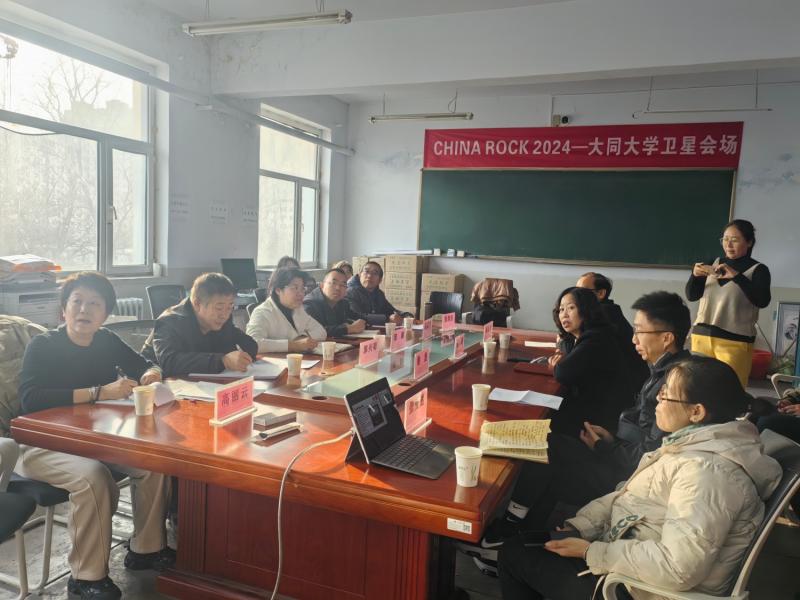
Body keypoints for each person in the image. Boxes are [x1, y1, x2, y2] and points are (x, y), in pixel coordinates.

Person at [498, 355, 782, 600]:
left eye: (666, 395)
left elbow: (678, 568)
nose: (658, 399)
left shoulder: (708, 473)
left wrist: (591, 552)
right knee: (531, 543)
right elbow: (629, 495)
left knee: (513, 555)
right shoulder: (692, 446)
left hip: (640, 589)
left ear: (696, 412)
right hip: (630, 562)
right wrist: (581, 527)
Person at [482, 291, 692, 548]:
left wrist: (605, 446)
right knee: (549, 454)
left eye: (639, 331)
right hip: (618, 448)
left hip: (628, 477)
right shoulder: (664, 371)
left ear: (667, 338)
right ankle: (521, 534)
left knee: (546, 447)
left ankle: (510, 526)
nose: (632, 339)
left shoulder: (674, 386)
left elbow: (652, 456)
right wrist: (611, 439)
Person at [16, 272, 173, 600]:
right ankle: (86, 577)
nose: (84, 309)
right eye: (77, 301)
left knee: (152, 464)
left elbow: (144, 363)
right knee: (92, 477)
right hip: (42, 444)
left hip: (95, 440)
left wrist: (151, 374)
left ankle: (146, 549)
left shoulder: (105, 340)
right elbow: (31, 399)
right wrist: (98, 392)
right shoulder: (43, 346)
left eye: (94, 304)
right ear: (64, 309)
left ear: (105, 314)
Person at [686, 219, 771, 387]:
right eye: (725, 239)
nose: (728, 244)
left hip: (734, 341)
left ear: (749, 242)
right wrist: (695, 276)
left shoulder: (758, 270)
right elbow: (692, 295)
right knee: (698, 390)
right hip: (701, 336)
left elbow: (762, 301)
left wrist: (737, 277)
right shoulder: (712, 262)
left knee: (730, 391)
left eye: (735, 240)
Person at [548, 287, 629, 436]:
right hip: (594, 409)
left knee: (543, 419)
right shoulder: (591, 334)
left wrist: (556, 365)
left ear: (586, 310)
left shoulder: (595, 338)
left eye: (571, 308)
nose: (564, 314)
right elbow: (568, 354)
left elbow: (563, 373)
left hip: (596, 420)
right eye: (561, 309)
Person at [142, 273, 257, 377]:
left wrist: (244, 354)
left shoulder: (222, 317)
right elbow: (170, 362)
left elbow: (247, 345)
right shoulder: (170, 322)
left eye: (230, 307)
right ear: (197, 304)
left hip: (203, 383)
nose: (225, 315)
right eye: (219, 308)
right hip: (158, 384)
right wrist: (222, 361)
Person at [577, 272, 649, 397]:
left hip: (624, 390)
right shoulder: (608, 309)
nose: (575, 296)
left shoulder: (602, 315)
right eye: (575, 291)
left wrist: (562, 341)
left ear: (601, 293)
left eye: (581, 292)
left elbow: (577, 353)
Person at [247, 267, 326, 353]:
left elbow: (321, 332)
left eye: (302, 288)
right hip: (274, 360)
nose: (300, 294)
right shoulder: (262, 312)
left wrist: (301, 339)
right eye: (295, 288)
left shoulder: (298, 308)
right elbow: (252, 343)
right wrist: (293, 345)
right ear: (278, 290)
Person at [303, 268, 367, 337]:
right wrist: (348, 329)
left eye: (342, 285)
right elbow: (316, 331)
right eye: (333, 283)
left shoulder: (343, 302)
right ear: (322, 285)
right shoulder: (309, 304)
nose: (338, 288)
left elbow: (355, 316)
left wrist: (361, 323)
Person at [346, 261, 410, 325]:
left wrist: (406, 316)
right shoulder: (350, 293)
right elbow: (357, 317)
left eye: (375, 273)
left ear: (380, 280)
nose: (369, 276)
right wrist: (387, 319)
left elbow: (391, 311)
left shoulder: (379, 294)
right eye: (366, 271)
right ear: (360, 275)